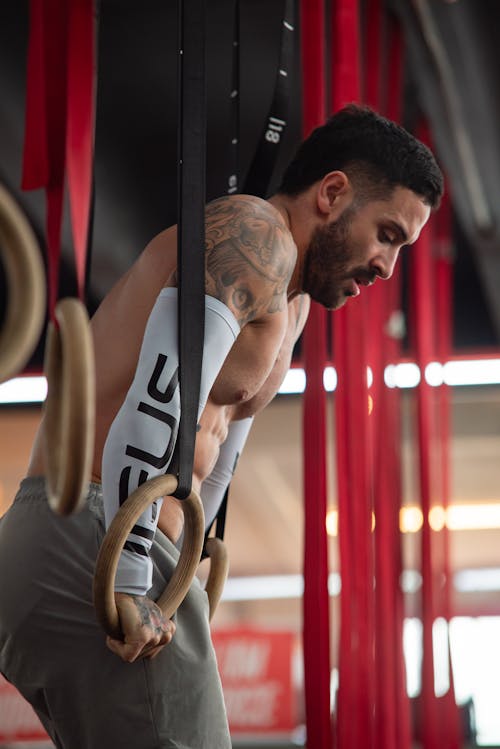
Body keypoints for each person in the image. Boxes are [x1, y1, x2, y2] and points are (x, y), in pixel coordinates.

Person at [0, 104, 443, 748]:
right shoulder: (252, 234)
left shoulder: (291, 305)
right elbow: (159, 395)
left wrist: (186, 568)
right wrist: (128, 578)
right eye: (388, 234)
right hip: (95, 534)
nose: (386, 266)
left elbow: (219, 453)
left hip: (95, 537)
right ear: (333, 192)